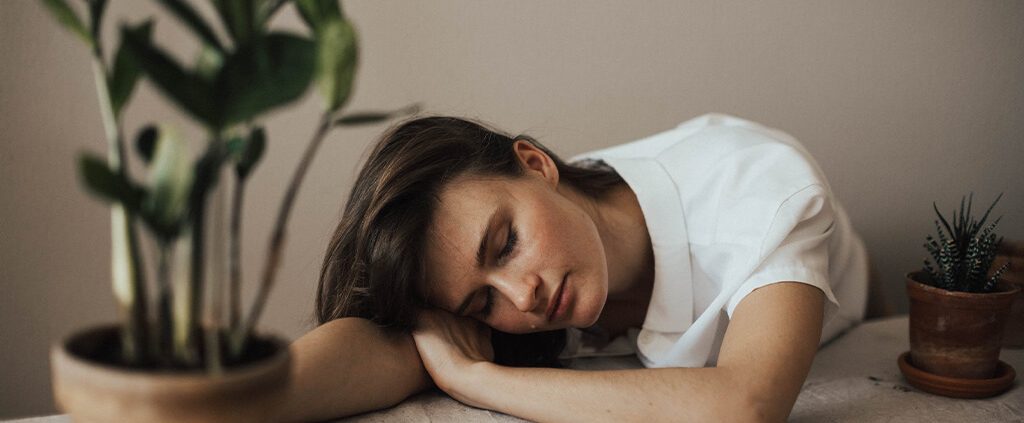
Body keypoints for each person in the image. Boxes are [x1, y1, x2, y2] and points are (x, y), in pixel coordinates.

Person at [283, 113, 869, 422]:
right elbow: (382, 346)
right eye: (482, 304)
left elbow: (746, 405)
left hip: (862, 303)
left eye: (506, 244)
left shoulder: (753, 188)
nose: (521, 297)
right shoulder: (522, 283)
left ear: (535, 164)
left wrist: (479, 381)